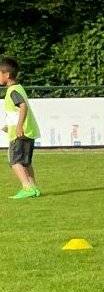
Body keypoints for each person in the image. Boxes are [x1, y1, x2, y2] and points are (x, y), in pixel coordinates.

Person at [2, 57, 40, 199]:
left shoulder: (12, 91)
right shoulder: (19, 88)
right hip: (27, 131)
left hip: (20, 133)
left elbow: (22, 106)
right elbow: (17, 111)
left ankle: (27, 187)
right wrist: (8, 126)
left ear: (6, 75)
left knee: (15, 161)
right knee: (25, 162)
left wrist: (18, 127)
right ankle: (34, 188)